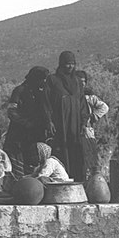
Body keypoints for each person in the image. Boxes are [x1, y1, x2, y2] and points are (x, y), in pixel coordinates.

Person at [4, 66, 54, 179]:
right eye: (41, 79)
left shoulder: (41, 93)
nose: (43, 82)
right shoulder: (19, 91)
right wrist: (26, 123)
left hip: (34, 136)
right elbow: (12, 112)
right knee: (17, 165)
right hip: (19, 135)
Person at [45, 51, 84, 181]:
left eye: (72, 64)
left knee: (75, 150)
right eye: (67, 64)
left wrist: (84, 121)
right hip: (59, 122)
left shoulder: (77, 81)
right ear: (61, 64)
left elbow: (82, 102)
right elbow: (46, 103)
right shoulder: (52, 80)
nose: (70, 67)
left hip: (75, 124)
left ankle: (78, 179)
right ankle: (61, 178)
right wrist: (49, 121)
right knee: (60, 150)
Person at [77, 70, 109, 178]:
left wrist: (93, 116)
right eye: (79, 81)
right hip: (74, 131)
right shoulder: (71, 96)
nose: (82, 84)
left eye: (84, 81)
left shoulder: (89, 97)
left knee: (91, 158)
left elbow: (104, 107)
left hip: (87, 130)